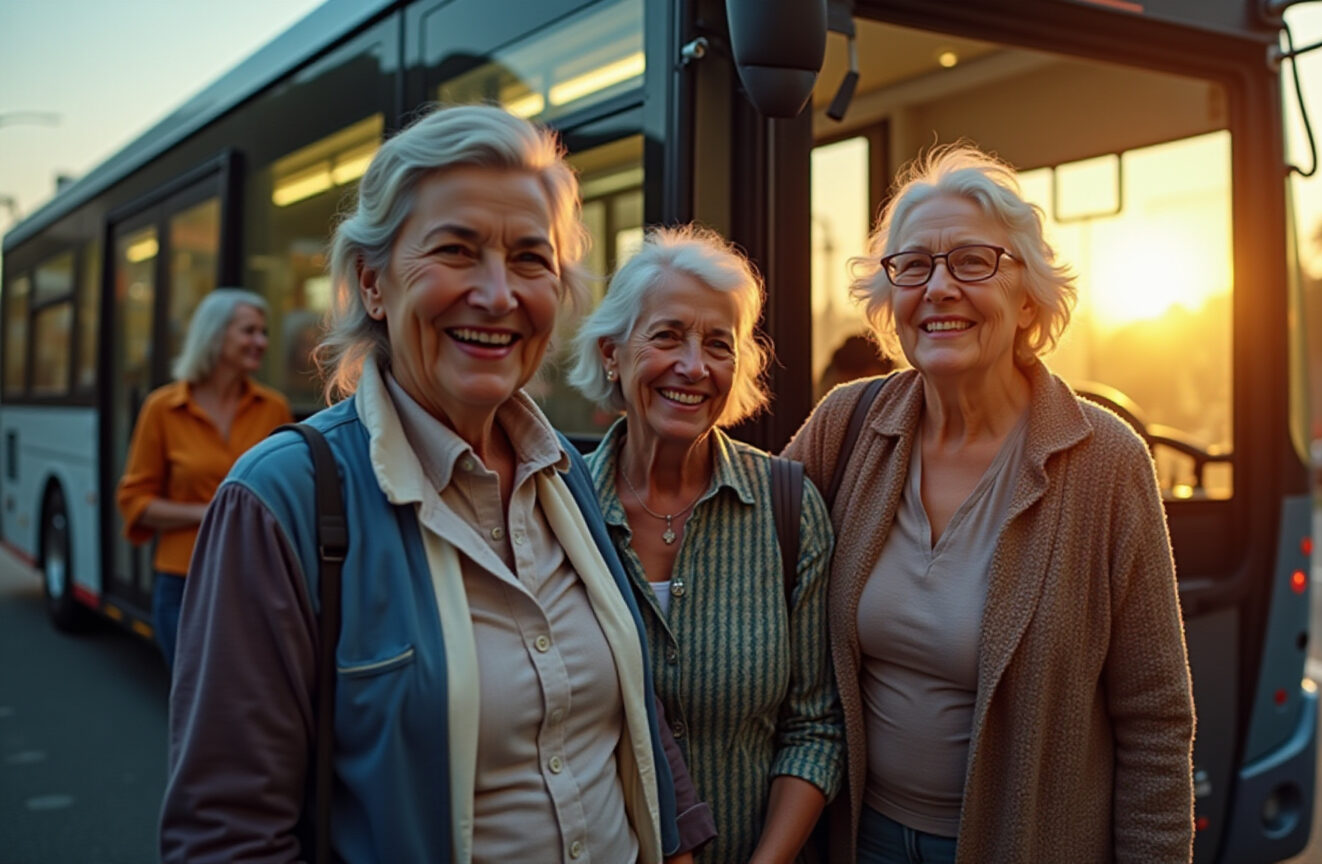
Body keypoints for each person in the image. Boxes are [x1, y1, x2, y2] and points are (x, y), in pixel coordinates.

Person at [161, 105, 713, 864]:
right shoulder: (281, 499)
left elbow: (633, 716)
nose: (497, 295)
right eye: (456, 251)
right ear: (372, 285)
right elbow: (227, 835)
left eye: (529, 259)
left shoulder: (568, 475)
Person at [784, 144, 1196, 864]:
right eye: (913, 266)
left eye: (973, 261)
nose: (939, 287)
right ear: (890, 300)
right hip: (861, 837)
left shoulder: (1106, 462)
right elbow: (734, 538)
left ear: (1028, 295)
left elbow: (1156, 720)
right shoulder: (844, 425)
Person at [569, 225, 842, 864]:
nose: (694, 366)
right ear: (612, 353)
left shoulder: (788, 506)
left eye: (718, 344)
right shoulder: (558, 505)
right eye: (667, 336)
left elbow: (816, 728)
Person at [115, 288, 291, 664]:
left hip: (256, 583)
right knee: (198, 710)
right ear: (215, 334)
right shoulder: (162, 408)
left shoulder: (274, 408)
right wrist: (209, 512)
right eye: (249, 331)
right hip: (184, 582)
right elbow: (134, 501)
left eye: (264, 332)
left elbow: (289, 494)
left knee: (251, 710)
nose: (261, 342)